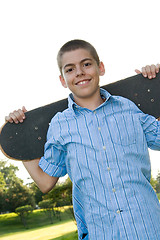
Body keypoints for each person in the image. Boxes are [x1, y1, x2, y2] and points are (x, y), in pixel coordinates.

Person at [5, 40, 160, 240]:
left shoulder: (129, 109)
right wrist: (21, 140)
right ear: (62, 80)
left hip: (149, 229)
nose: (79, 72)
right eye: (70, 69)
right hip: (101, 234)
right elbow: (45, 182)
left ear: (100, 67)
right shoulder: (60, 125)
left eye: (86, 64)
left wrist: (157, 89)